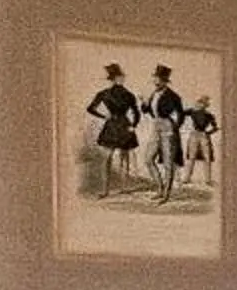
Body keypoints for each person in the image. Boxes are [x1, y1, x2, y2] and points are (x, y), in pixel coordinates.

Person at [85, 64, 141, 191]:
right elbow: (90, 109)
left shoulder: (126, 94)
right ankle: (107, 189)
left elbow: (137, 113)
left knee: (122, 158)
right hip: (118, 125)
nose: (122, 79)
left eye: (122, 77)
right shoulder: (108, 94)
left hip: (119, 125)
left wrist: (134, 125)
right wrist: (104, 116)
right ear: (114, 78)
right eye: (120, 77)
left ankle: (123, 187)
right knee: (110, 158)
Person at [144, 65, 187, 204]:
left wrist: (174, 127)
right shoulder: (153, 94)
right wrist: (144, 103)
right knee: (148, 159)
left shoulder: (173, 96)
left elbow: (181, 114)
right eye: (155, 79)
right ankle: (160, 188)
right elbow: (147, 111)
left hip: (168, 128)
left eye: (159, 79)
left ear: (165, 81)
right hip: (156, 127)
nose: (156, 82)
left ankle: (166, 194)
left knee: (168, 163)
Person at [185, 93, 218, 184]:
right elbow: (183, 112)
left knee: (207, 158)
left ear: (206, 105)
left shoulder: (209, 115)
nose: (201, 104)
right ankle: (187, 178)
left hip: (204, 136)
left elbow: (215, 127)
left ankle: (208, 180)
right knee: (192, 157)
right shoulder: (193, 111)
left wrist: (208, 133)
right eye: (200, 102)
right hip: (194, 134)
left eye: (203, 103)